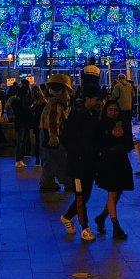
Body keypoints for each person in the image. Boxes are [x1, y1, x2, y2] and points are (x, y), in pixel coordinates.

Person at [60, 87, 102, 241]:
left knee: (86, 194)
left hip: (89, 162)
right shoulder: (77, 114)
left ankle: (67, 216)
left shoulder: (93, 114)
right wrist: (77, 153)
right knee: (80, 195)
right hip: (77, 163)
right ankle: (84, 227)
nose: (98, 103)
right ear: (88, 99)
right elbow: (66, 138)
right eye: (96, 100)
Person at [93, 99, 133, 239]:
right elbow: (98, 143)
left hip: (121, 161)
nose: (114, 112)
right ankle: (116, 226)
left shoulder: (123, 124)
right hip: (108, 162)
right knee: (112, 193)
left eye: (116, 110)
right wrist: (111, 136)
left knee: (117, 193)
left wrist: (123, 136)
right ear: (106, 110)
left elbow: (130, 144)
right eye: (111, 109)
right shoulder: (102, 124)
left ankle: (102, 217)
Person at [39, 73, 73, 192]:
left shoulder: (50, 103)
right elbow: (53, 121)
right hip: (53, 135)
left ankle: (47, 181)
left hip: (44, 133)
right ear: (62, 90)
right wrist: (54, 136)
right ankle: (68, 182)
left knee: (49, 160)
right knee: (59, 159)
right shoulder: (56, 105)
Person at [6, 80, 32, 168]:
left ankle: (20, 159)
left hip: (22, 121)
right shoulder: (21, 98)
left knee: (22, 141)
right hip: (22, 121)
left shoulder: (20, 97)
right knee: (21, 141)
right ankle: (18, 160)